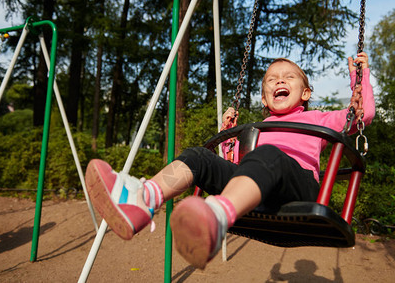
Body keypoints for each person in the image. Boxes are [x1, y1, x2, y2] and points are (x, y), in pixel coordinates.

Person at [85, 52, 374, 269]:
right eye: (272, 79)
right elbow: (236, 167)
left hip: (299, 191)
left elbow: (363, 115)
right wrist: (227, 137)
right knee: (199, 156)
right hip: (256, 194)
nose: (280, 81)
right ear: (264, 98)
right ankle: (142, 199)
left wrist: (359, 78)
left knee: (268, 155)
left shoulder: (317, 118)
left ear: (305, 93)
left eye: (288, 77)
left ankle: (216, 217)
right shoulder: (256, 130)